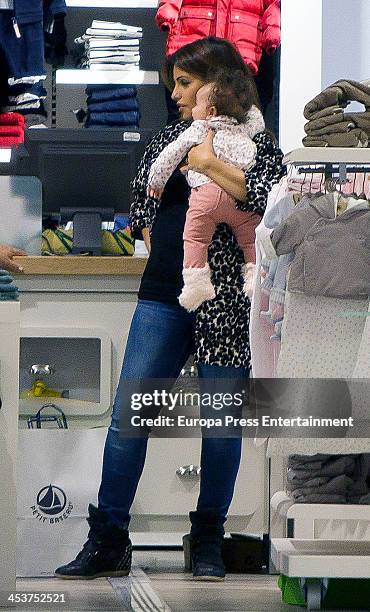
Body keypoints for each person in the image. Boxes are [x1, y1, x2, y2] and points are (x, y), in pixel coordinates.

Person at [55, 36, 284, 583]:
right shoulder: (168, 138)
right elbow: (140, 199)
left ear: (218, 84)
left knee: (222, 425)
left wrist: (207, 163)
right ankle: (107, 538)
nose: (176, 96)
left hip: (231, 297)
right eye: (173, 85)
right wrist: (191, 171)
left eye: (185, 84)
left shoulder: (261, 142)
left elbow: (273, 201)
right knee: (130, 419)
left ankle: (207, 540)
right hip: (164, 292)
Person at [148, 69, 265, 311]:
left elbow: (170, 156)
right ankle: (256, 279)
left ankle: (195, 282)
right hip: (236, 199)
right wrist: (240, 104)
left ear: (211, 111)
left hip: (207, 195)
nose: (192, 108)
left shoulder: (201, 127)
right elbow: (256, 119)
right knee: (251, 239)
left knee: (195, 237)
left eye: (198, 103)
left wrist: (156, 182)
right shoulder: (244, 128)